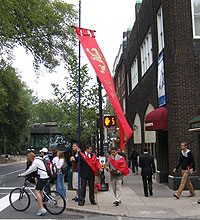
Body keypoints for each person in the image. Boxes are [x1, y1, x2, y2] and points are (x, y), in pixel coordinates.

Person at [19, 152, 49, 216]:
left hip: (42, 177)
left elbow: (30, 170)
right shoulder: (39, 160)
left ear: (30, 157)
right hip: (45, 177)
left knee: (37, 192)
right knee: (40, 192)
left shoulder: (35, 162)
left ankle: (42, 209)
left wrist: (22, 174)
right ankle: (42, 205)